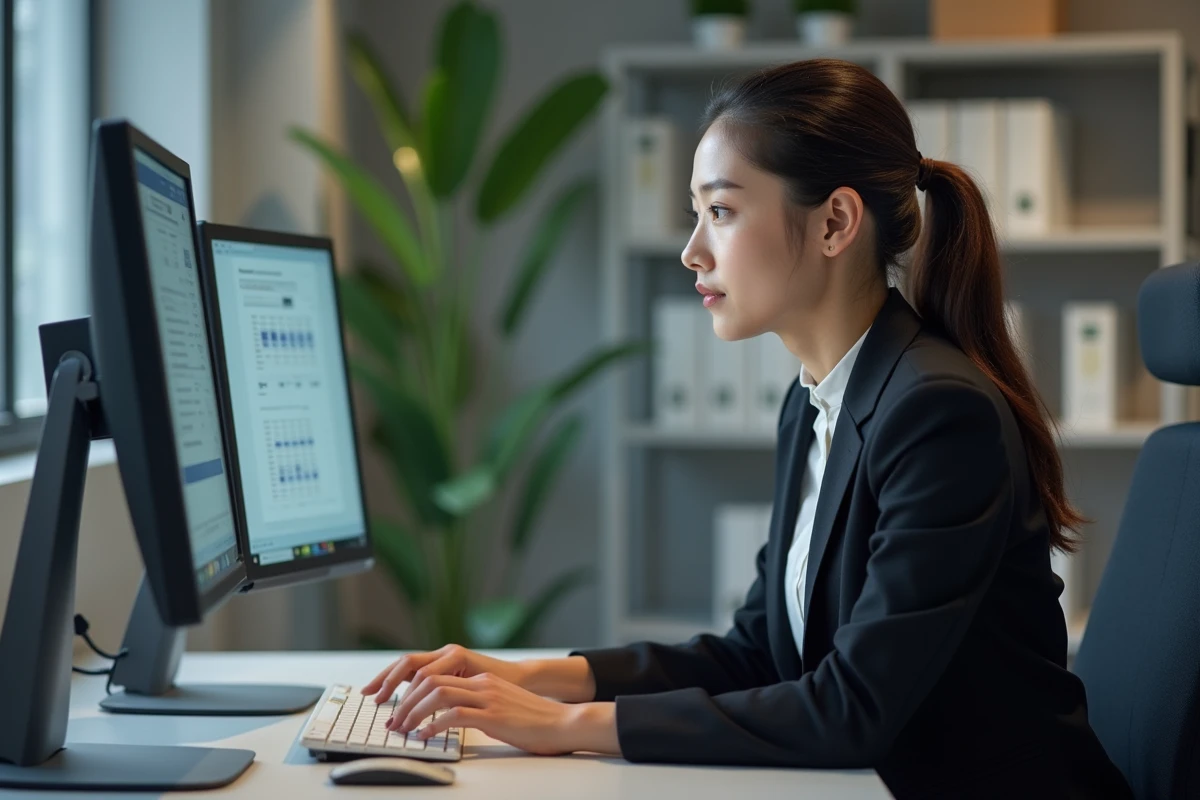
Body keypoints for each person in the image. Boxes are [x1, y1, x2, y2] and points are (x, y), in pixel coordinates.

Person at [360, 58, 1132, 799]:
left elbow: (851, 709)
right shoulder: (815, 400)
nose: (692, 251)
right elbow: (760, 651)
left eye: (722, 212)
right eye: (696, 215)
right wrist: (529, 677)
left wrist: (565, 726)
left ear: (835, 222)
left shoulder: (937, 413)